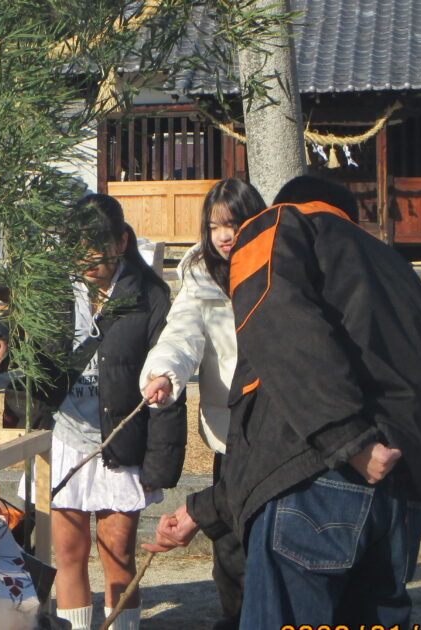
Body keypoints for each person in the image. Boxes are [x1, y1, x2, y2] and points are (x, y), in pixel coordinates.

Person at [144, 176, 421, 629]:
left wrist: (349, 441)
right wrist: (200, 511)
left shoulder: (280, 226)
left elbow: (284, 336)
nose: (228, 235)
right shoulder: (395, 265)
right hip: (403, 489)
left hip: (319, 477)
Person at [0, 194, 185, 630]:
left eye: (98, 244)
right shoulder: (52, 290)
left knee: (118, 554)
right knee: (68, 555)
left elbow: (171, 382)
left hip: (120, 441)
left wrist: (159, 464)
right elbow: (13, 325)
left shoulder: (150, 298)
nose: (88, 257)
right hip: (63, 439)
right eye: (77, 245)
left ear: (122, 241)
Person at [137, 178, 264, 630]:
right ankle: (234, 617)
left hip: (277, 427)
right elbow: (182, 332)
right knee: (228, 538)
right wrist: (164, 373)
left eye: (233, 224)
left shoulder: (281, 268)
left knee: (267, 535)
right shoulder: (199, 275)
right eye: (215, 227)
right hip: (230, 427)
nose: (224, 236)